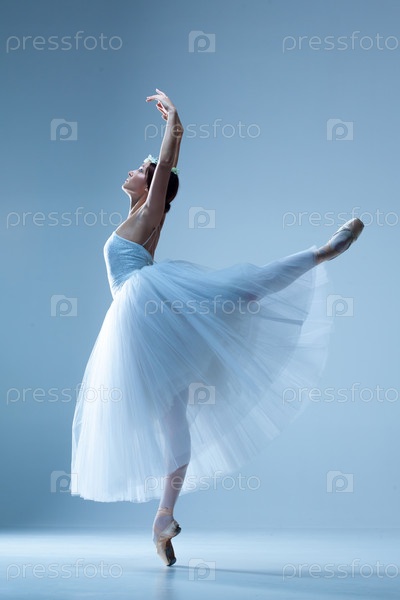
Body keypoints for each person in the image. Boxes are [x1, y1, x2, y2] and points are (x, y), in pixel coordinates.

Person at [70, 88, 364, 567]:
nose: (131, 170)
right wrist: (172, 138)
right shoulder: (139, 217)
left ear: (151, 185)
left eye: (140, 169)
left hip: (146, 312)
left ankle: (322, 252)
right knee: (175, 416)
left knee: (241, 289)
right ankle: (163, 518)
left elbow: (166, 166)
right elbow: (163, 173)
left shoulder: (150, 213)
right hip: (141, 325)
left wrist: (175, 125)